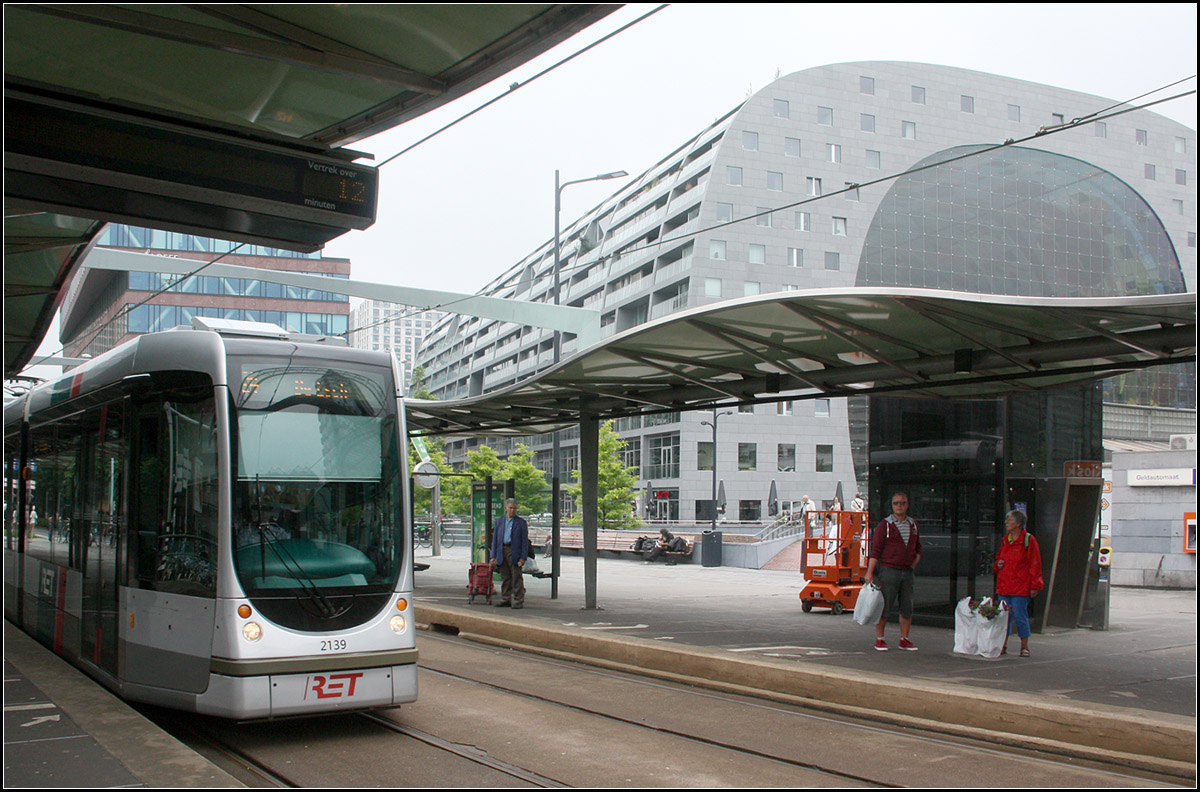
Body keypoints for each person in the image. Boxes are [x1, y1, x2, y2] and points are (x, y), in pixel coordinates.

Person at [864, 491, 922, 651]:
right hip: (889, 570)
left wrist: (914, 562)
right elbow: (876, 550)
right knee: (884, 605)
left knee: (907, 606)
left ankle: (904, 639)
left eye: (902, 503)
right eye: (896, 503)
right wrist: (870, 572)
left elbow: (918, 547)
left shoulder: (913, 525)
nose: (899, 506)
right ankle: (880, 639)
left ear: (907, 505)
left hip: (907, 571)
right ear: (892, 506)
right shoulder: (885, 525)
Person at [994, 510, 1043, 657]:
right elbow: (998, 559)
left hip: (1020, 586)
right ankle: (1003, 644)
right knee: (1003, 617)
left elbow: (1035, 563)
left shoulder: (1029, 540)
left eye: (1010, 520)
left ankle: (1024, 646)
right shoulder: (1005, 540)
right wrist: (998, 564)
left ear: (1018, 524)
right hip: (1005, 584)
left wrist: (1035, 585)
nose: (1007, 523)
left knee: (1020, 615)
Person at [490, 498, 529, 609]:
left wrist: (523, 557)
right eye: (510, 508)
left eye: (514, 508)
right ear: (505, 508)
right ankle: (505, 598)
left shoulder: (521, 523)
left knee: (516, 576)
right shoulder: (499, 521)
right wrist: (493, 555)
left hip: (514, 550)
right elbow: (495, 540)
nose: (512, 510)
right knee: (505, 576)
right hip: (502, 549)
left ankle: (518, 600)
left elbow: (524, 541)